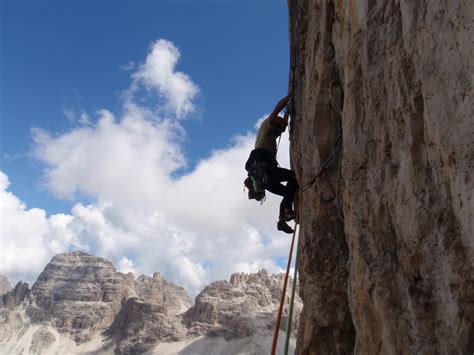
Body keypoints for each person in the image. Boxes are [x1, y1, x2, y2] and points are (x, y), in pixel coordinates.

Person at [245, 94, 299, 234]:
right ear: (275, 125)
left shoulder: (269, 137)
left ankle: (281, 221)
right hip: (266, 172)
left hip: (265, 179)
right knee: (293, 176)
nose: (281, 130)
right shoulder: (265, 128)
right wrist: (289, 96)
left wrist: (287, 113)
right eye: (280, 127)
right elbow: (276, 110)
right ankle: (287, 211)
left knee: (288, 193)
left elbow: (283, 123)